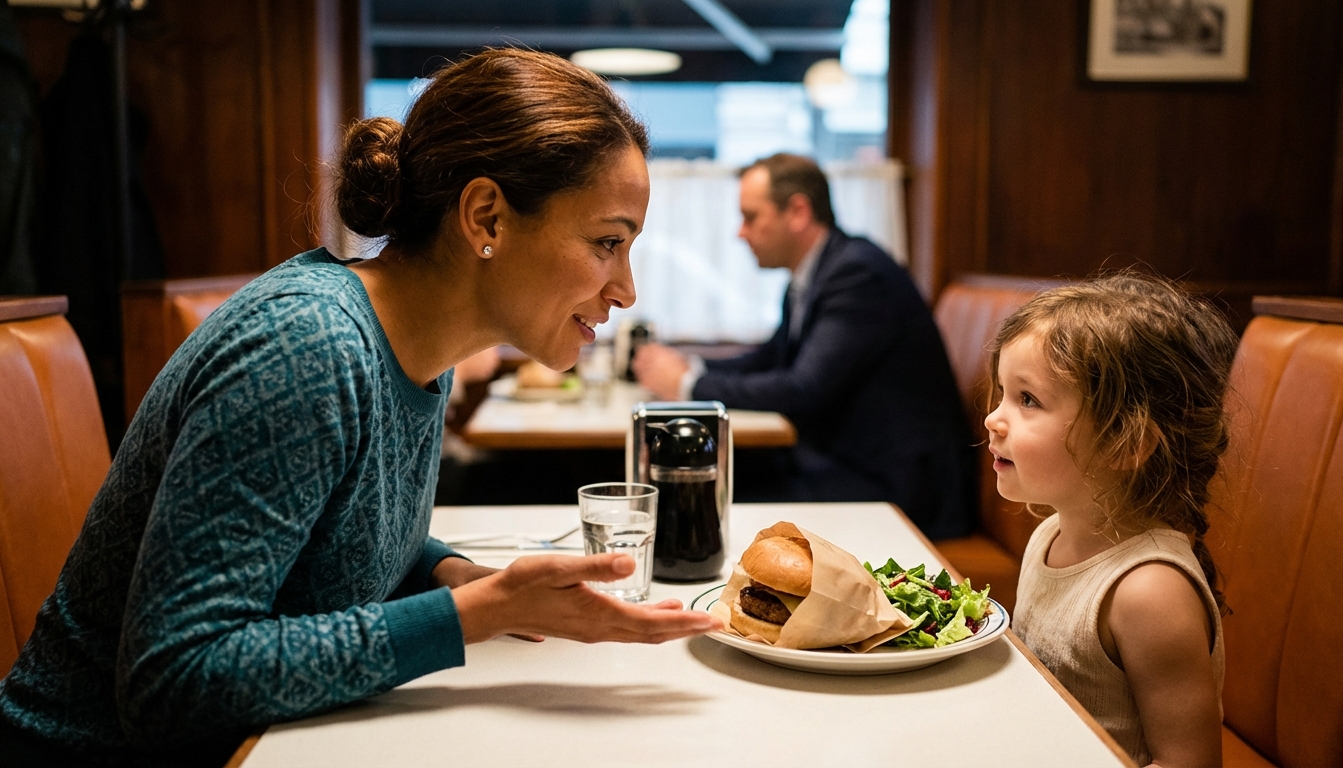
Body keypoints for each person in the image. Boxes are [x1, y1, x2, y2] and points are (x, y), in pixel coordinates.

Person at [0, 49, 718, 767]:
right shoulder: (307, 343)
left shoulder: (420, 342)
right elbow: (171, 684)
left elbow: (339, 534)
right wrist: (476, 614)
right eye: (607, 242)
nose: (626, 289)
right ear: (486, 217)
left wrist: (449, 574)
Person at [633, 153, 975, 539]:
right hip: (844, 463)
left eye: (751, 217)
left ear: (797, 212)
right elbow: (770, 358)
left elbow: (804, 388)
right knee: (704, 483)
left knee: (709, 495)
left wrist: (688, 385)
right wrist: (691, 366)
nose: (740, 233)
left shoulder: (857, 274)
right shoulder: (817, 273)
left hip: (898, 488)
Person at [985, 274, 1235, 766]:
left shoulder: (1148, 592)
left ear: (1126, 443)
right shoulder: (1049, 535)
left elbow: (1190, 762)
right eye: (1002, 393)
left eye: (1027, 399)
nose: (994, 418)